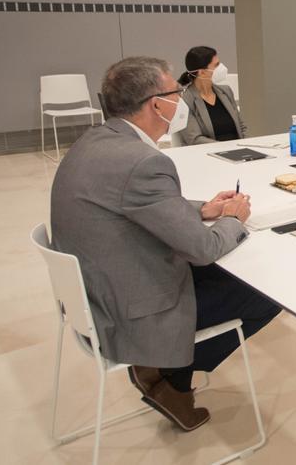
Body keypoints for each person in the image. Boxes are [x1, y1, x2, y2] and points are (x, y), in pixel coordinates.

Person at [50, 56, 280, 432]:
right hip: (128, 312)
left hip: (95, 294)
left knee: (217, 276)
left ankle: (164, 368)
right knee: (266, 292)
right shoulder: (142, 161)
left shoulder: (95, 141)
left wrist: (204, 208)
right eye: (175, 91)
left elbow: (134, 204)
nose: (180, 100)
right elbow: (203, 249)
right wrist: (231, 219)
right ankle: (173, 380)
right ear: (157, 104)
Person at [177, 46, 247, 145]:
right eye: (216, 65)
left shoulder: (226, 91)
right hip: (209, 154)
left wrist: (245, 145)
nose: (222, 67)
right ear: (202, 72)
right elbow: (195, 139)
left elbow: (241, 127)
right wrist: (225, 148)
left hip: (238, 149)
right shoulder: (185, 100)